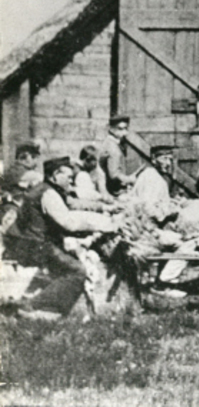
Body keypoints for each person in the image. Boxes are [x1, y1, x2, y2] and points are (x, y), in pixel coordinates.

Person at [5, 157, 116, 320]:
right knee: (78, 271)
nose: (71, 180)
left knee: (69, 260)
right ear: (56, 175)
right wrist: (101, 225)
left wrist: (104, 207)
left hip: (28, 240)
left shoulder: (45, 188)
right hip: (36, 244)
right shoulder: (48, 193)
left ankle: (45, 307)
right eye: (68, 177)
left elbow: (73, 204)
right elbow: (68, 223)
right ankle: (32, 306)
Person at [1, 141, 43, 234]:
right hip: (14, 211)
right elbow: (42, 182)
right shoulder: (27, 174)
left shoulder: (11, 170)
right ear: (25, 157)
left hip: (10, 209)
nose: (36, 162)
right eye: (34, 157)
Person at [99, 115, 135, 196]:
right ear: (111, 129)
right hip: (114, 191)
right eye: (120, 129)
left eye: (126, 129)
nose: (124, 133)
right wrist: (129, 179)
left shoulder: (110, 142)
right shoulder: (112, 147)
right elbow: (114, 174)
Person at [132, 145, 174, 210]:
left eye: (170, 159)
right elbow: (149, 207)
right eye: (164, 158)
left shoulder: (152, 174)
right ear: (154, 159)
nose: (169, 163)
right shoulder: (152, 178)